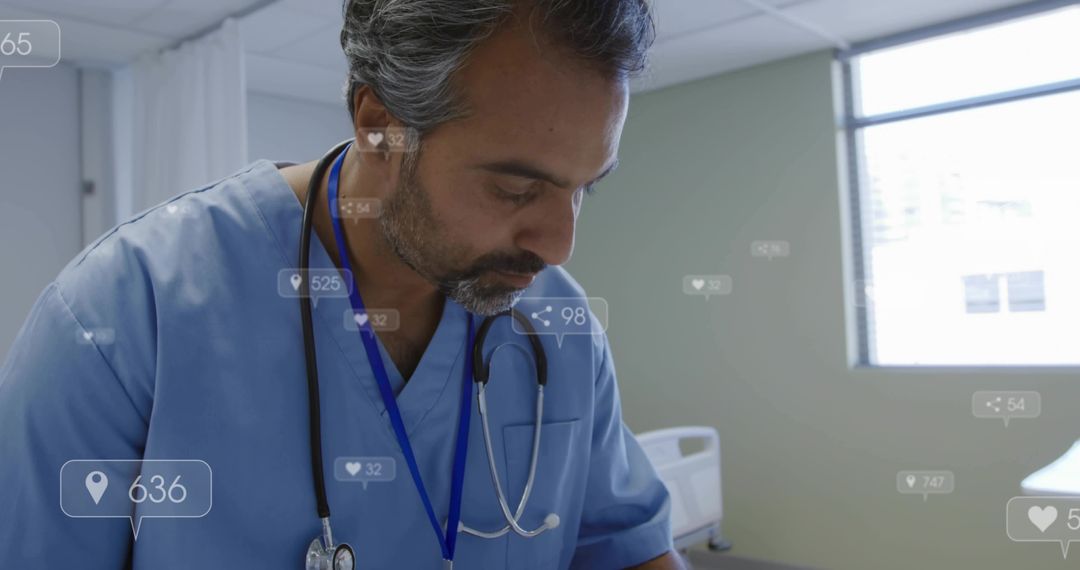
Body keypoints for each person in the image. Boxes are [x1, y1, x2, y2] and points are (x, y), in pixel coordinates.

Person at [0, 0, 684, 568]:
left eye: (584, 189)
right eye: (514, 187)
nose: (559, 246)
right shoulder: (120, 319)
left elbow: (625, 546)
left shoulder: (559, 329)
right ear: (380, 125)